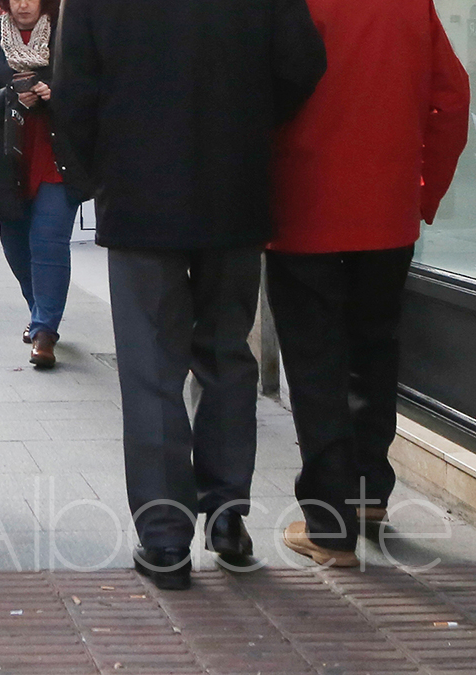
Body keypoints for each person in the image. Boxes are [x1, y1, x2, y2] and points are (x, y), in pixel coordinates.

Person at [53, 0, 326, 590]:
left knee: (151, 368)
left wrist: (94, 175)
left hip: (138, 192)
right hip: (233, 185)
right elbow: (301, 63)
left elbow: (73, 86)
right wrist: (249, 122)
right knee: (227, 353)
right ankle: (228, 519)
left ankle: (165, 538)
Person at [267, 0, 469, 568]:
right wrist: (424, 193)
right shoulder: (411, 5)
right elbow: (452, 98)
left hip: (302, 207)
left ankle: (329, 526)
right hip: (387, 212)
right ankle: (370, 494)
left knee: (315, 364)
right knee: (375, 351)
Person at [0, 0, 81, 369]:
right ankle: (37, 310)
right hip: (8, 163)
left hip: (55, 158)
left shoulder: (69, 37)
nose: (24, 3)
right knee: (15, 242)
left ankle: (46, 330)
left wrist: (55, 94)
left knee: (48, 241)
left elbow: (93, 90)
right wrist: (9, 97)